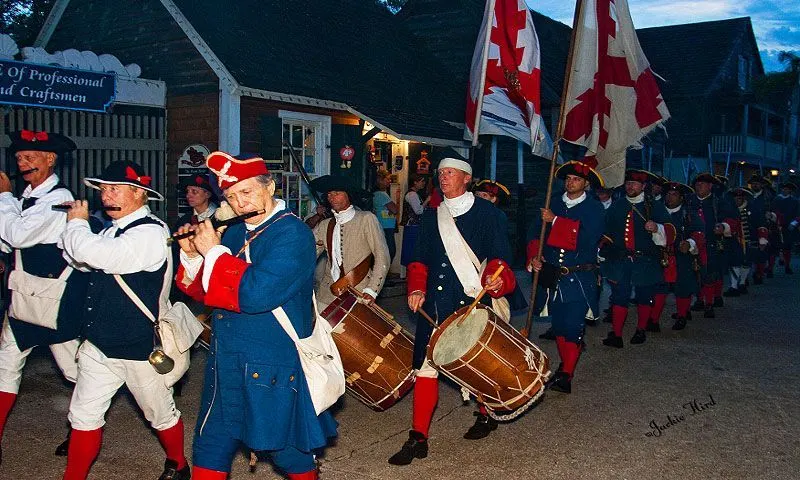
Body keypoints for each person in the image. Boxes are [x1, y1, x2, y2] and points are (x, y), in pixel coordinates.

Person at [174, 152, 337, 480]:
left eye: (246, 192)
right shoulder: (233, 233)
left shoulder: (294, 235)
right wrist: (192, 257)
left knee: (286, 451)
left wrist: (213, 253)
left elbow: (255, 293)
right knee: (209, 445)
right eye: (231, 196)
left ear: (270, 186)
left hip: (270, 363)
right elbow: (205, 293)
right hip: (226, 361)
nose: (239, 202)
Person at [57, 161, 188, 480]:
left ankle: (178, 463)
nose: (105, 195)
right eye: (103, 189)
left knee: (159, 415)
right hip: (99, 343)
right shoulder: (113, 230)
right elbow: (76, 258)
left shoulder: (151, 232)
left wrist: (76, 224)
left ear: (140, 194)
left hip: (138, 345)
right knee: (83, 417)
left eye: (114, 188)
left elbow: (94, 255)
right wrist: (78, 235)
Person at [388, 157, 515, 466]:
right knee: (425, 369)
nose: (443, 177)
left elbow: (500, 259)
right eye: (441, 173)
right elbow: (420, 258)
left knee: (477, 366)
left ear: (466, 178)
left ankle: (486, 414)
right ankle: (418, 437)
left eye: (450, 173)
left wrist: (494, 280)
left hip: (471, 302)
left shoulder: (489, 214)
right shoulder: (433, 216)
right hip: (434, 304)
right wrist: (416, 287)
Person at [0, 130, 89, 465]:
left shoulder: (59, 198)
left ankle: (85, 423)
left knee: (74, 370)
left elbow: (18, 233)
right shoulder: (24, 198)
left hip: (54, 298)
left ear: (50, 159)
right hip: (24, 295)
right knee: (5, 365)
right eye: (20, 158)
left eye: (31, 158)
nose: (23, 164)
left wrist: (4, 198)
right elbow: (8, 242)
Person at [527, 161, 604, 393]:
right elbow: (534, 234)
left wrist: (556, 222)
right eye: (569, 178)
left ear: (586, 184)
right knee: (558, 325)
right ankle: (566, 363)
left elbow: (587, 238)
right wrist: (534, 257)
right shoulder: (553, 202)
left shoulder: (594, 208)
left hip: (579, 276)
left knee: (573, 326)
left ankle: (567, 374)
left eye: (577, 180)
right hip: (553, 275)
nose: (571, 183)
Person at [601, 169, 674, 347]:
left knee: (644, 296)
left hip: (646, 261)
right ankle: (616, 335)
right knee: (619, 296)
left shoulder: (654, 206)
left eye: (634, 183)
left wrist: (657, 228)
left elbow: (671, 230)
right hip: (621, 260)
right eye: (627, 183)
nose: (630, 186)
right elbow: (606, 230)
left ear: (643, 186)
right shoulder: (617, 205)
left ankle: (641, 330)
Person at [309, 175, 391, 309]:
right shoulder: (325, 225)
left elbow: (382, 257)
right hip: (327, 294)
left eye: (337, 193)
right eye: (329, 194)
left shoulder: (366, 219)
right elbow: (308, 253)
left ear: (348, 195)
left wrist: (371, 290)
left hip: (359, 291)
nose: (332, 197)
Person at [646, 182, 704, 331]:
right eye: (668, 194)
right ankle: (654, 320)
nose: (670, 197)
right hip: (660, 255)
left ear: (681, 198)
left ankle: (682, 316)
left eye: (674, 195)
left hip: (681, 257)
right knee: (659, 287)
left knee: (682, 287)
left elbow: (699, 233)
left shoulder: (689, 215)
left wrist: (690, 243)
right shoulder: (656, 211)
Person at [686, 173, 735, 318]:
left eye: (702, 184)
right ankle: (699, 300)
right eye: (697, 184)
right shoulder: (688, 201)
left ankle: (709, 304)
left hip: (711, 244)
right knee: (694, 274)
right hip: (692, 243)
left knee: (709, 274)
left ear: (710, 186)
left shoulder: (718, 202)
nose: (699, 186)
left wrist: (723, 226)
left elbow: (731, 219)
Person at [722, 187, 768, 296]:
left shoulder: (753, 209)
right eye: (736, 198)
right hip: (733, 241)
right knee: (734, 263)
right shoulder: (729, 209)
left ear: (743, 198)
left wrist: (762, 239)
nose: (737, 200)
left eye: (739, 198)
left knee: (746, 263)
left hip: (749, 241)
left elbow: (761, 223)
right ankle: (733, 286)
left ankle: (742, 283)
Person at [400, 173, 429, 268]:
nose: (423, 183)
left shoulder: (414, 194)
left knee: (411, 250)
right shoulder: (412, 194)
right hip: (412, 226)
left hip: (413, 226)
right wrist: (427, 201)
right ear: (415, 182)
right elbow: (418, 211)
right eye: (421, 181)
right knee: (412, 251)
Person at [772, 181, 798, 274]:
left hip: (789, 226)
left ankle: (787, 265)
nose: (785, 190)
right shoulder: (776, 200)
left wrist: (794, 223)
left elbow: (798, 214)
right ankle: (771, 267)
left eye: (787, 189)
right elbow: (772, 211)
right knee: (775, 246)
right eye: (784, 189)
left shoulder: (794, 201)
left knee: (787, 247)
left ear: (790, 191)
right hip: (777, 226)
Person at [373, 170, 398, 262]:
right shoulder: (382, 194)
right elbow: (394, 209)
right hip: (386, 226)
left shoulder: (377, 194)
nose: (389, 181)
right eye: (387, 179)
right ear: (380, 180)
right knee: (390, 251)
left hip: (383, 225)